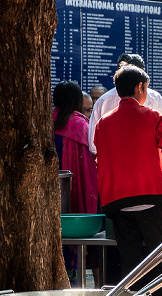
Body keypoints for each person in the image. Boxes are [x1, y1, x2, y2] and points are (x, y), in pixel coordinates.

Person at [94, 64, 162, 296]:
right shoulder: (152, 116)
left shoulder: (103, 121)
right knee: (161, 259)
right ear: (140, 88)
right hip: (151, 197)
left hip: (117, 202)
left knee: (130, 262)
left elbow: (101, 157)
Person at [54, 81, 99, 285]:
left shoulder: (47, 120)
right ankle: (71, 275)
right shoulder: (79, 124)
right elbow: (91, 156)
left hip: (50, 187)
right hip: (74, 186)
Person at [89, 54, 162, 155]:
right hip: (146, 165)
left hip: (114, 166)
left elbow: (94, 146)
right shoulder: (103, 101)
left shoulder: (154, 98)